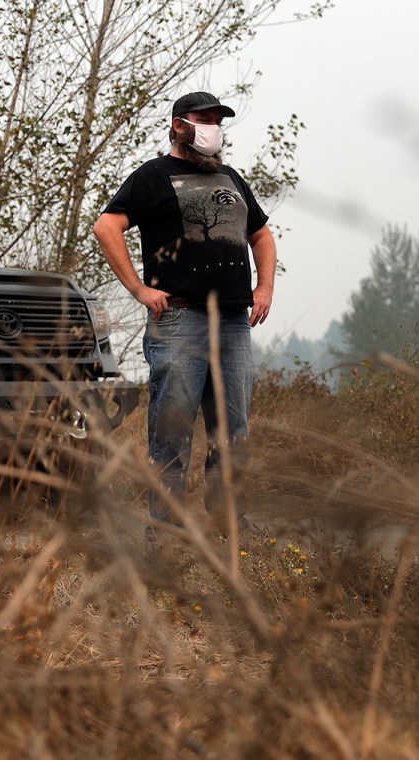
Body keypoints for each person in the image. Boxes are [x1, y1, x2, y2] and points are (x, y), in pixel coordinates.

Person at [93, 91, 276, 532]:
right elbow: (107, 226)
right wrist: (138, 289)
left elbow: (262, 234)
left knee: (233, 430)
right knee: (172, 432)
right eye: (203, 119)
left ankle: (229, 523)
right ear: (179, 125)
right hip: (180, 322)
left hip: (234, 322)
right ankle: (168, 528)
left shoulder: (231, 179)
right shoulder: (153, 176)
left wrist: (265, 286)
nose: (213, 127)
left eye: (217, 120)